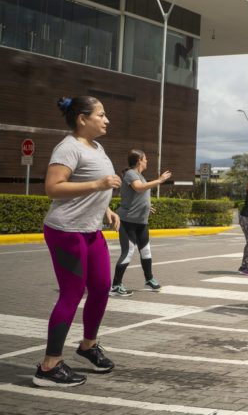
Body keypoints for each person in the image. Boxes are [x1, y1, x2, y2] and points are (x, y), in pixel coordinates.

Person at [34, 96, 121, 387]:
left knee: (100, 288)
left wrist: (105, 207)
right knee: (72, 293)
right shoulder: (68, 147)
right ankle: (49, 366)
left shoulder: (96, 147)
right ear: (83, 119)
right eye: (101, 114)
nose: (106, 120)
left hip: (90, 229)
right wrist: (99, 185)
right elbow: (53, 188)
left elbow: (92, 188)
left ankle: (88, 346)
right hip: (66, 231)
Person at [110, 150, 172, 296]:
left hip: (141, 222)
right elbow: (138, 188)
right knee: (128, 252)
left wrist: (146, 206)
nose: (147, 162)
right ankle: (116, 285)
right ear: (139, 160)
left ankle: (149, 279)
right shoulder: (131, 174)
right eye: (145, 159)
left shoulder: (140, 176)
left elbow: (137, 194)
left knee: (146, 251)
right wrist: (160, 180)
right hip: (128, 221)